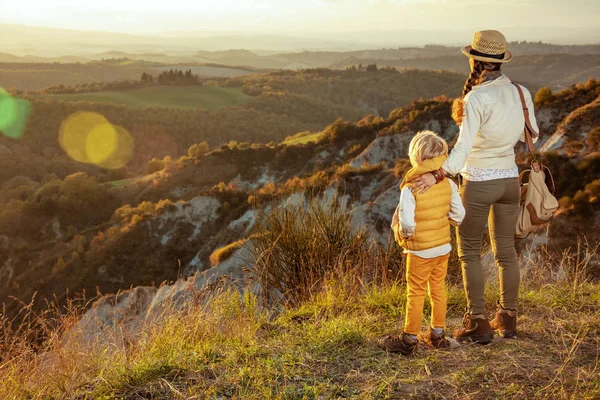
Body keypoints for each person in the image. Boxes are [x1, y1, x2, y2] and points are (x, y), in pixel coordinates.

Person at [409, 30, 539, 343]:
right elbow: (532, 135)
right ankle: (508, 319)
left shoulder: (476, 97)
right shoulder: (521, 92)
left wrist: (437, 175)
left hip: (480, 182)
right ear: (499, 61)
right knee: (506, 252)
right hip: (509, 179)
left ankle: (478, 323)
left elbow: (462, 148)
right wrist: (503, 132)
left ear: (475, 61)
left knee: (469, 252)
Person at [382, 131, 465, 355]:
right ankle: (437, 334)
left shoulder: (411, 187)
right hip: (442, 248)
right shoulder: (448, 183)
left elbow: (407, 222)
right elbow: (459, 216)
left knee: (416, 292)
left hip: (419, 252)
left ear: (416, 158)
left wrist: (405, 235)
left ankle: (409, 339)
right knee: (438, 289)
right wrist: (443, 221)